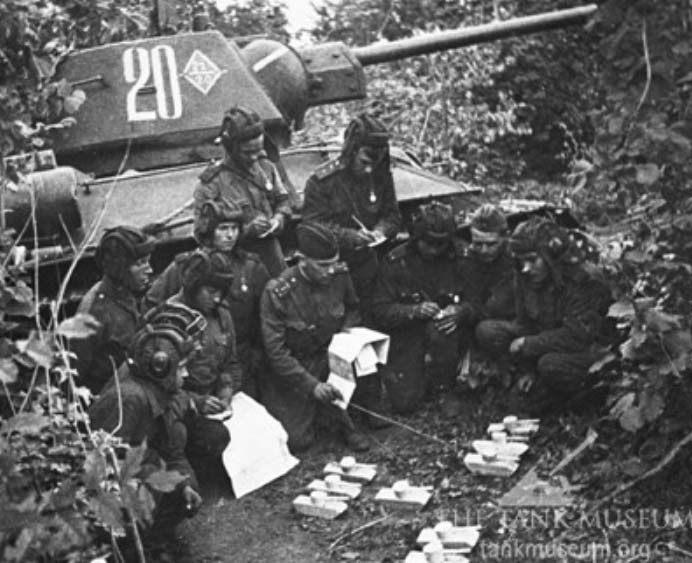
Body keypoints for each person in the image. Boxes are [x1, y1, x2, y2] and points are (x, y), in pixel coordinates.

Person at [475, 217, 613, 410]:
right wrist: (528, 368)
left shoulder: (584, 281)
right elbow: (526, 324)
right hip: (549, 341)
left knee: (550, 365)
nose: (525, 268)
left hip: (589, 351)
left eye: (532, 260)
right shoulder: (525, 276)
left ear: (551, 257)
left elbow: (577, 337)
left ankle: (583, 401)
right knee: (489, 331)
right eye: (521, 261)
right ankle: (531, 381)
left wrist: (528, 344)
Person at [88, 309, 203, 538]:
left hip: (138, 469)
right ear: (161, 367)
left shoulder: (159, 389)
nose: (187, 374)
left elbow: (172, 446)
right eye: (181, 368)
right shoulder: (130, 399)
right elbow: (104, 465)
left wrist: (185, 485)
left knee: (184, 493)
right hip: (108, 491)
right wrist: (155, 469)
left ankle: (148, 538)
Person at [260, 222, 374, 452]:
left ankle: (346, 423)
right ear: (302, 259)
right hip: (297, 366)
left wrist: (344, 340)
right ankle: (320, 412)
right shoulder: (279, 292)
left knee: (365, 356)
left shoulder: (340, 275)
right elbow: (276, 352)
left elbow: (353, 308)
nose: (330, 271)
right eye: (323, 265)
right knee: (297, 440)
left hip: (331, 354)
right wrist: (312, 386)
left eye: (333, 264)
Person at [145, 201, 270, 398]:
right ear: (210, 232)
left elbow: (265, 316)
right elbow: (153, 308)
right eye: (223, 229)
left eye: (234, 229)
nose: (230, 235)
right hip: (193, 366)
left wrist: (256, 356)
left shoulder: (251, 267)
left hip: (238, 362)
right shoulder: (187, 267)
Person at [372, 201, 471, 413]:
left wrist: (461, 311)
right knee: (404, 404)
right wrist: (413, 311)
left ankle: (445, 388)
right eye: (428, 243)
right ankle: (417, 377)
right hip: (407, 333)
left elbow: (478, 299)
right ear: (416, 237)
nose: (435, 251)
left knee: (442, 331)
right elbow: (380, 310)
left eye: (441, 244)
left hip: (448, 332)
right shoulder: (396, 262)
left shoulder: (462, 256)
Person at [302, 113, 401, 321]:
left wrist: (381, 231)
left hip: (369, 266)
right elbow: (312, 227)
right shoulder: (323, 181)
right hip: (332, 268)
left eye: (375, 163)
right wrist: (350, 236)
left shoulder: (380, 176)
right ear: (351, 152)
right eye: (364, 161)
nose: (368, 169)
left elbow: (392, 215)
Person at [193, 106, 291, 276]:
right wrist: (246, 231)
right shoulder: (212, 182)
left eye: (258, 150)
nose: (254, 157)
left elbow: (283, 200)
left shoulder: (266, 168)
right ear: (231, 148)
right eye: (247, 152)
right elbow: (201, 233)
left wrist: (278, 219)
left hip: (271, 255)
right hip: (234, 263)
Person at [167, 250, 241, 467]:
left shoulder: (221, 315)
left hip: (215, 400)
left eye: (221, 293)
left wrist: (226, 390)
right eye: (210, 291)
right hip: (182, 408)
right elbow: (160, 388)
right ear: (192, 287)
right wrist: (197, 402)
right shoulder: (168, 321)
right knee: (214, 438)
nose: (217, 299)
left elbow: (230, 362)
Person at [73, 226, 154, 395]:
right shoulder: (93, 313)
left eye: (147, 261)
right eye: (140, 263)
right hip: (111, 399)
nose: (150, 270)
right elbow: (75, 374)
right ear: (119, 267)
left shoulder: (124, 292)